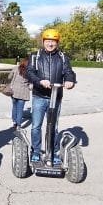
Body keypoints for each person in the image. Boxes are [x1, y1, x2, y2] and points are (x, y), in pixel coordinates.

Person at [26, 29, 77, 164]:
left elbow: (69, 71)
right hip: (39, 96)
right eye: (48, 41)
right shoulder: (35, 56)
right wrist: (39, 81)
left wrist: (70, 80)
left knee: (53, 127)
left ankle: (52, 153)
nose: (50, 44)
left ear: (57, 43)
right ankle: (36, 151)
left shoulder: (62, 57)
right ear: (43, 42)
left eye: (53, 41)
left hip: (56, 97)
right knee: (36, 126)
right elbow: (29, 72)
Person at [7, 57, 31, 129]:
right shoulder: (29, 71)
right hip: (23, 92)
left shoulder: (15, 68)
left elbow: (9, 77)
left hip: (14, 91)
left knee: (14, 107)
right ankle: (19, 125)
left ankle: (14, 122)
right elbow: (31, 81)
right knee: (20, 109)